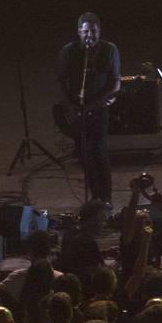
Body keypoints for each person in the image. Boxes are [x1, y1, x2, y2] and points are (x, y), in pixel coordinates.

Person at [56, 11, 122, 208]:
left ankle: (106, 198)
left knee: (100, 152)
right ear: (78, 32)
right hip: (77, 109)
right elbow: (61, 81)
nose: (89, 36)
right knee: (85, 154)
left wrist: (103, 100)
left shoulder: (109, 50)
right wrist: (69, 106)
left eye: (93, 32)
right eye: (85, 32)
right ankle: (95, 198)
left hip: (99, 108)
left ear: (99, 31)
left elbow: (115, 81)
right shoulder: (69, 51)